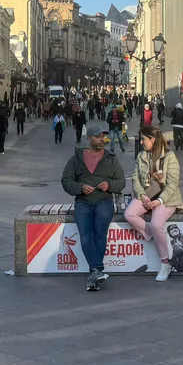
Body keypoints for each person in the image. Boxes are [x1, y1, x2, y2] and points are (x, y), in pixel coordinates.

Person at [61, 125, 126, 291]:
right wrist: (80, 187)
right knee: (85, 235)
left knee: (100, 234)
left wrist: (109, 184)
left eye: (103, 136)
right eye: (98, 137)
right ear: (89, 138)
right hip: (83, 201)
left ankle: (95, 272)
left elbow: (121, 181)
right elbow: (66, 181)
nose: (102, 139)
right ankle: (96, 270)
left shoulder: (111, 158)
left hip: (103, 200)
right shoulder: (76, 158)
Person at [126, 124, 183, 281]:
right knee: (129, 214)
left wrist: (159, 201)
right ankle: (159, 237)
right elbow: (135, 178)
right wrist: (141, 194)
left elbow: (173, 184)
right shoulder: (141, 156)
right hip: (147, 195)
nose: (141, 142)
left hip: (167, 198)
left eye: (143, 139)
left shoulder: (169, 156)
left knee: (157, 223)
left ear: (152, 139)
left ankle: (165, 264)